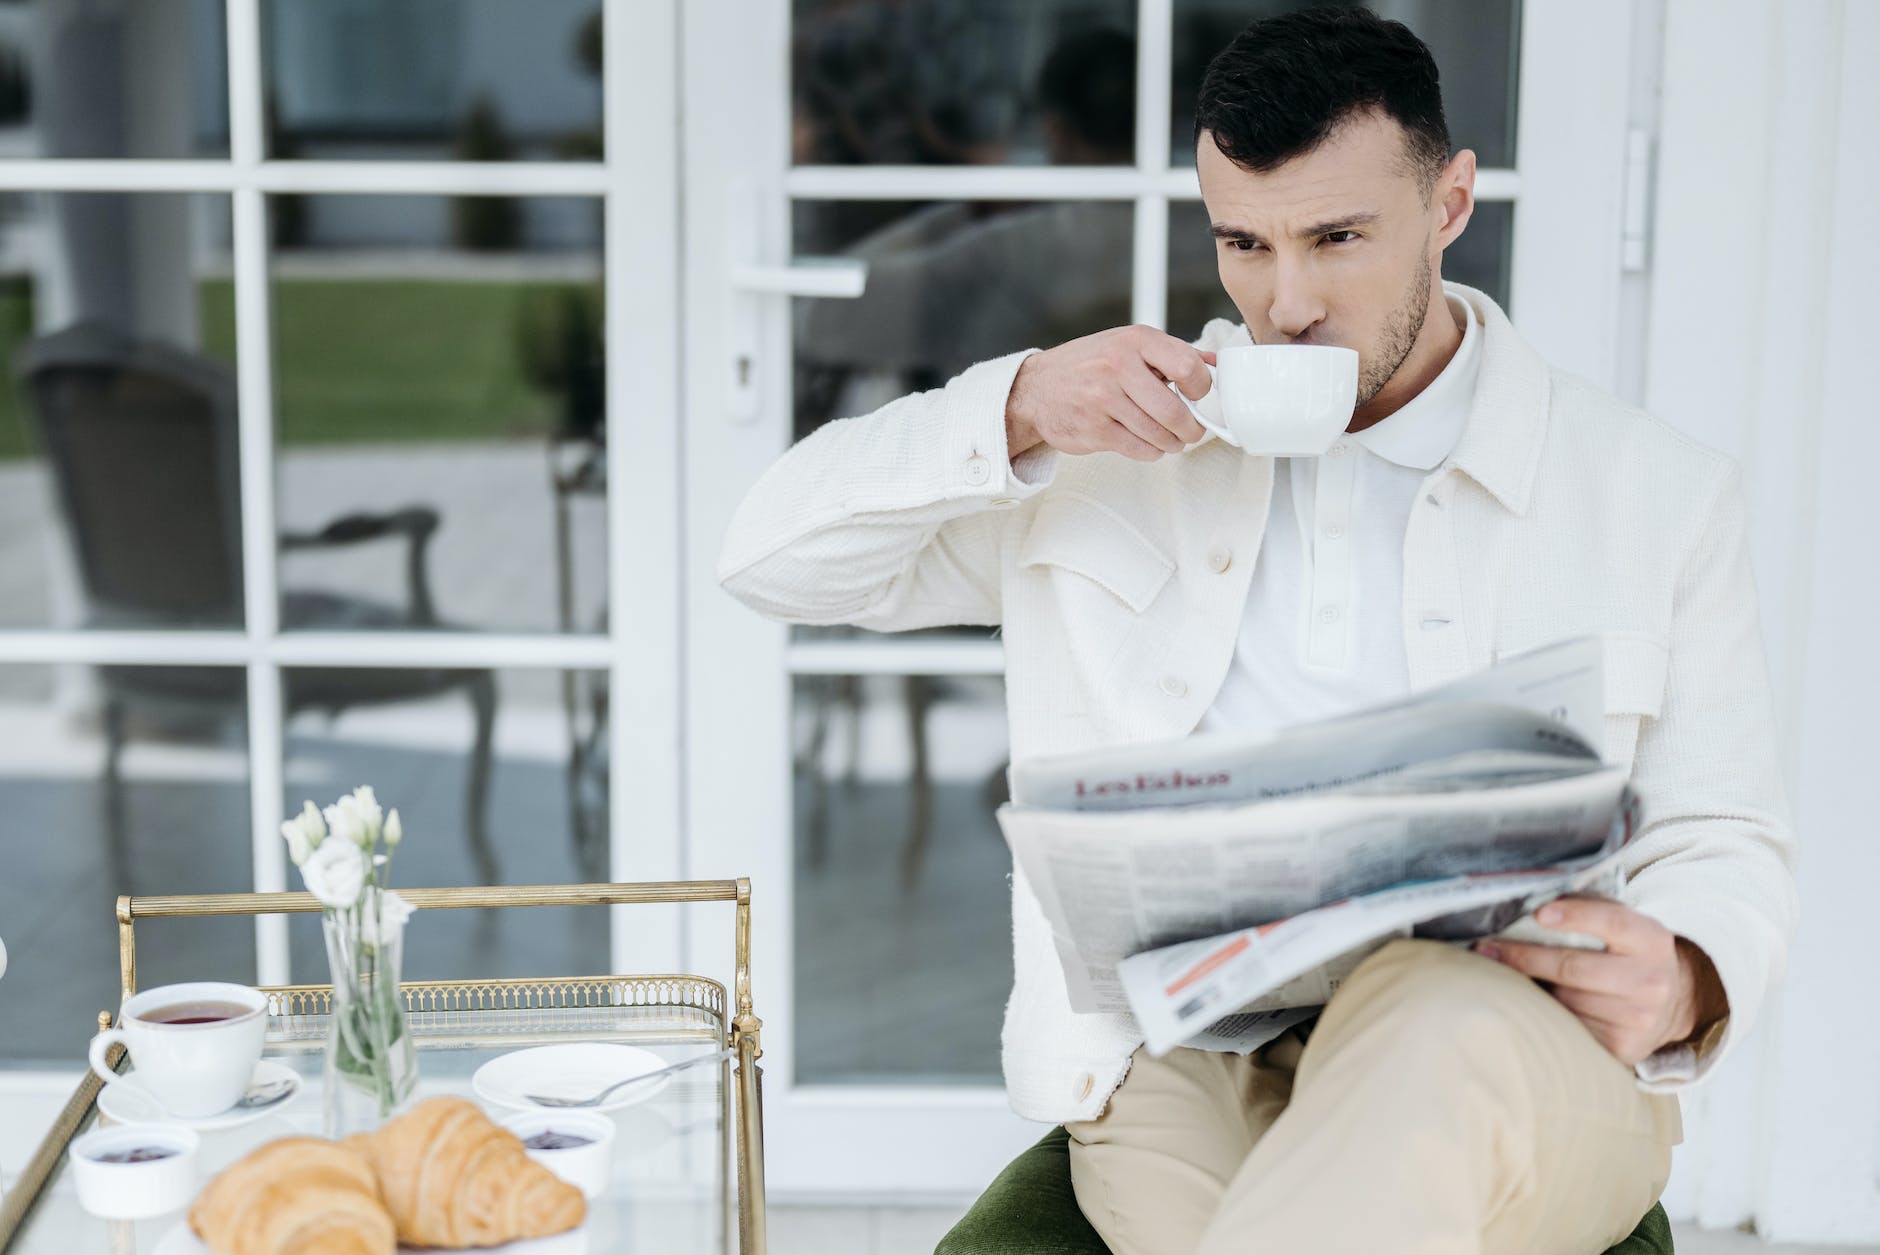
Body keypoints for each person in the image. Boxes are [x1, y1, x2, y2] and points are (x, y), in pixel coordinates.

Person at [719, 9, 1796, 1252]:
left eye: (1337, 237)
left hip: (1507, 1029)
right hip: (1183, 1055)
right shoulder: (1108, 456)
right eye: (1243, 242)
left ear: (1449, 204)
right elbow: (768, 558)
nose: (1284, 303)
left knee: (1429, 1025)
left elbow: (1725, 833)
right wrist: (1009, 404)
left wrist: (1685, 973)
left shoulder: (1649, 490)